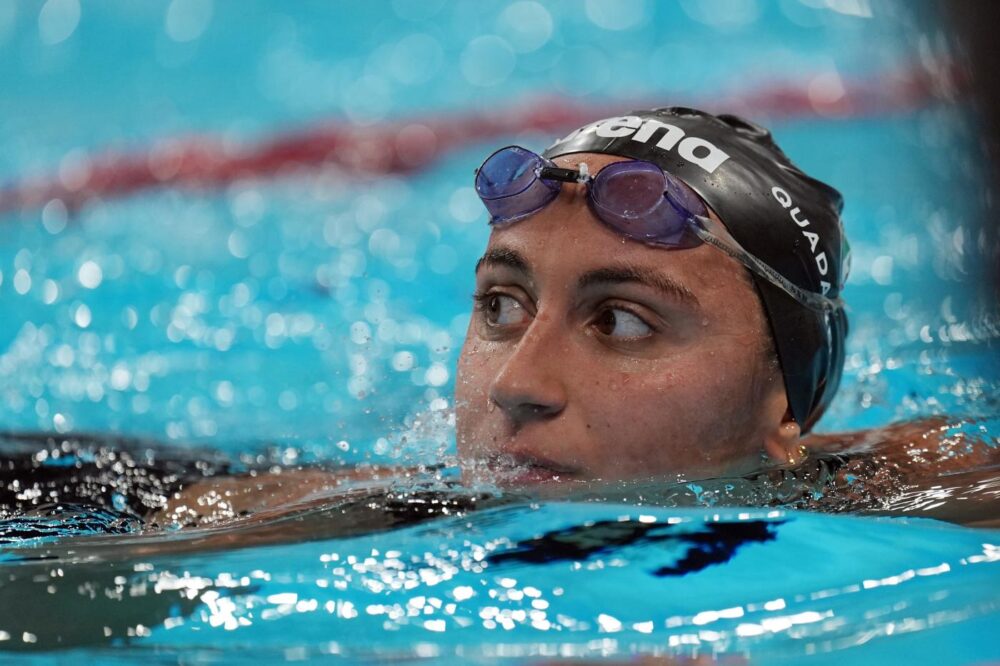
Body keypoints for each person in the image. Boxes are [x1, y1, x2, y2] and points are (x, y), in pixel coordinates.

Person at [2, 107, 996, 542]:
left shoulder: (837, 490)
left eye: (621, 321)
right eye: (500, 306)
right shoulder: (352, 519)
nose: (518, 382)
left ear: (784, 404)